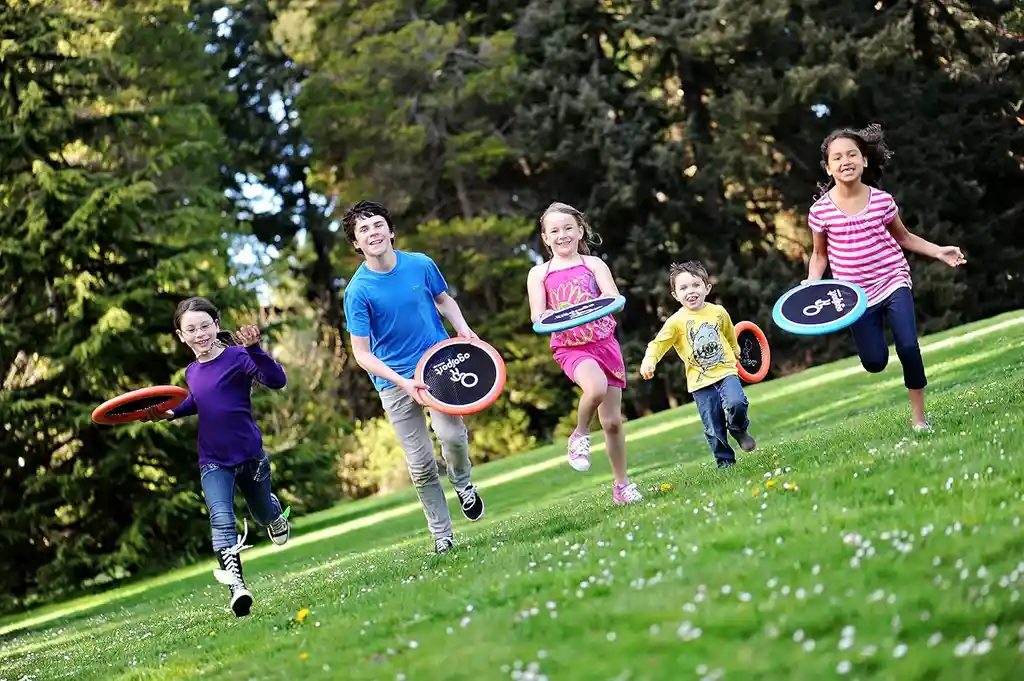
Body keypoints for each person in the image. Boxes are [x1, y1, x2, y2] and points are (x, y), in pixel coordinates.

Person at [341, 200, 485, 555]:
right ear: (357, 244)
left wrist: (464, 330)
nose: (372, 233)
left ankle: (463, 483)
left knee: (452, 435)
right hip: (395, 381)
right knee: (420, 465)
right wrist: (403, 382)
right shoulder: (357, 291)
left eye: (377, 225)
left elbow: (444, 300)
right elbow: (361, 354)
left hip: (438, 364)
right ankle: (442, 535)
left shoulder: (420, 264)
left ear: (390, 231)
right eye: (363, 230)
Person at [805, 124, 967, 432]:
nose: (846, 161)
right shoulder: (820, 212)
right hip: (854, 296)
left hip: (893, 281)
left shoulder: (881, 200)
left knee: (908, 346)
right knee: (875, 361)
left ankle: (919, 419)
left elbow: (904, 238)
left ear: (864, 160)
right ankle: (877, 358)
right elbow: (819, 255)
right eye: (837, 157)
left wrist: (938, 252)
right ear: (828, 167)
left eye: (852, 154)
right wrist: (813, 282)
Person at [146, 296, 291, 618]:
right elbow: (198, 401)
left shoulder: (239, 357)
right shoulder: (191, 372)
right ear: (180, 335)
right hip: (213, 460)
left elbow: (276, 381)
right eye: (191, 329)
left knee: (263, 514)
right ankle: (237, 588)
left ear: (216, 325)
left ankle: (274, 513)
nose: (199, 334)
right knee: (221, 519)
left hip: (250, 456)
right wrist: (168, 412)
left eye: (204, 326)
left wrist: (255, 348)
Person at [525, 201, 643, 505]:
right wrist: (551, 316)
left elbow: (612, 296)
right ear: (546, 237)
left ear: (580, 231)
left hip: (604, 344)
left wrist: (607, 301)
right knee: (595, 387)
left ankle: (621, 487)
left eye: (568, 228)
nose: (562, 235)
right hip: (571, 347)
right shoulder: (539, 273)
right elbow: (537, 315)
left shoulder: (594, 265)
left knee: (613, 423)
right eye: (554, 231)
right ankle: (579, 435)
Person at [640, 261, 756, 469]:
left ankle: (739, 429)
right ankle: (725, 462)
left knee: (737, 403)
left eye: (695, 285)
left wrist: (737, 351)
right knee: (713, 426)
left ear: (707, 288)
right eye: (683, 288)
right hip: (700, 382)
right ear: (675, 295)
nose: (690, 291)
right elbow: (658, 344)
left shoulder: (719, 312)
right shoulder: (675, 322)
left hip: (726, 371)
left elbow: (730, 334)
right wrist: (650, 360)